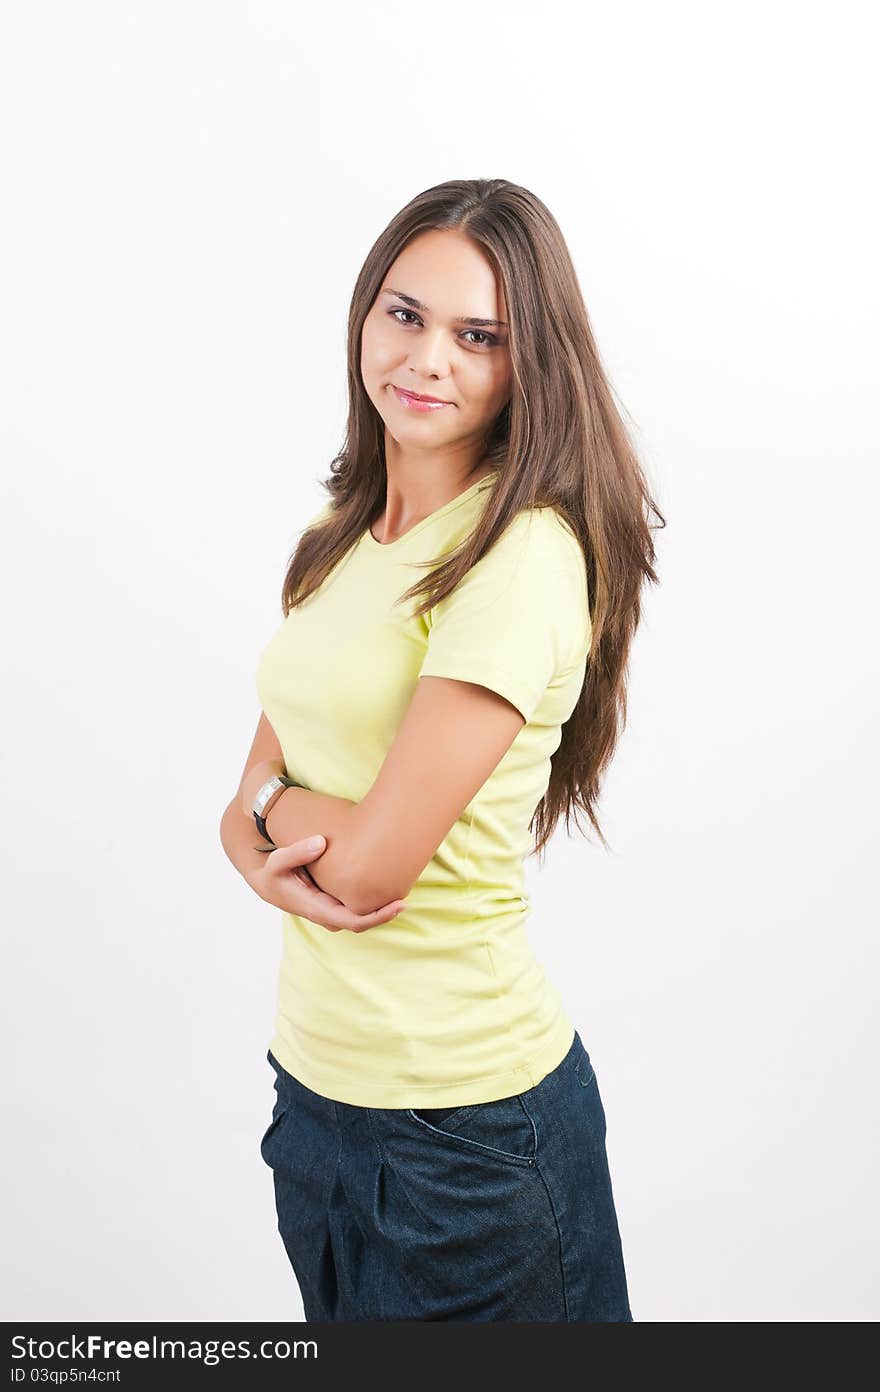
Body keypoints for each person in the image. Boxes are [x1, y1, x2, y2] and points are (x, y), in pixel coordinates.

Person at [219, 177, 664, 1322]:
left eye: (479, 337)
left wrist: (272, 821)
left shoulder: (518, 558)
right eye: (405, 316)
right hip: (314, 1098)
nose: (427, 360)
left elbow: (365, 868)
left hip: (467, 1136)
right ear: (366, 314)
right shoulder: (339, 541)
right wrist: (273, 816)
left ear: (531, 365)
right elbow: (243, 800)